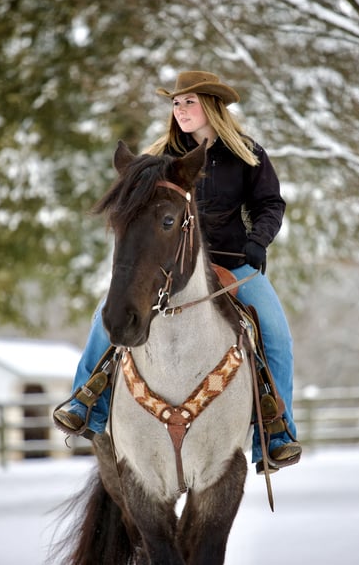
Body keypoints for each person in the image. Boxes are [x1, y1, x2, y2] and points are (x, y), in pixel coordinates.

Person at [53, 70, 301, 472]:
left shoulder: (246, 153)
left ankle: (275, 433)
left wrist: (257, 243)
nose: (180, 109)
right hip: (168, 265)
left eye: (189, 101)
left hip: (233, 262)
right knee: (108, 313)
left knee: (276, 336)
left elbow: (270, 204)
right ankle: (86, 403)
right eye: (176, 102)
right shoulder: (159, 160)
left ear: (211, 106)